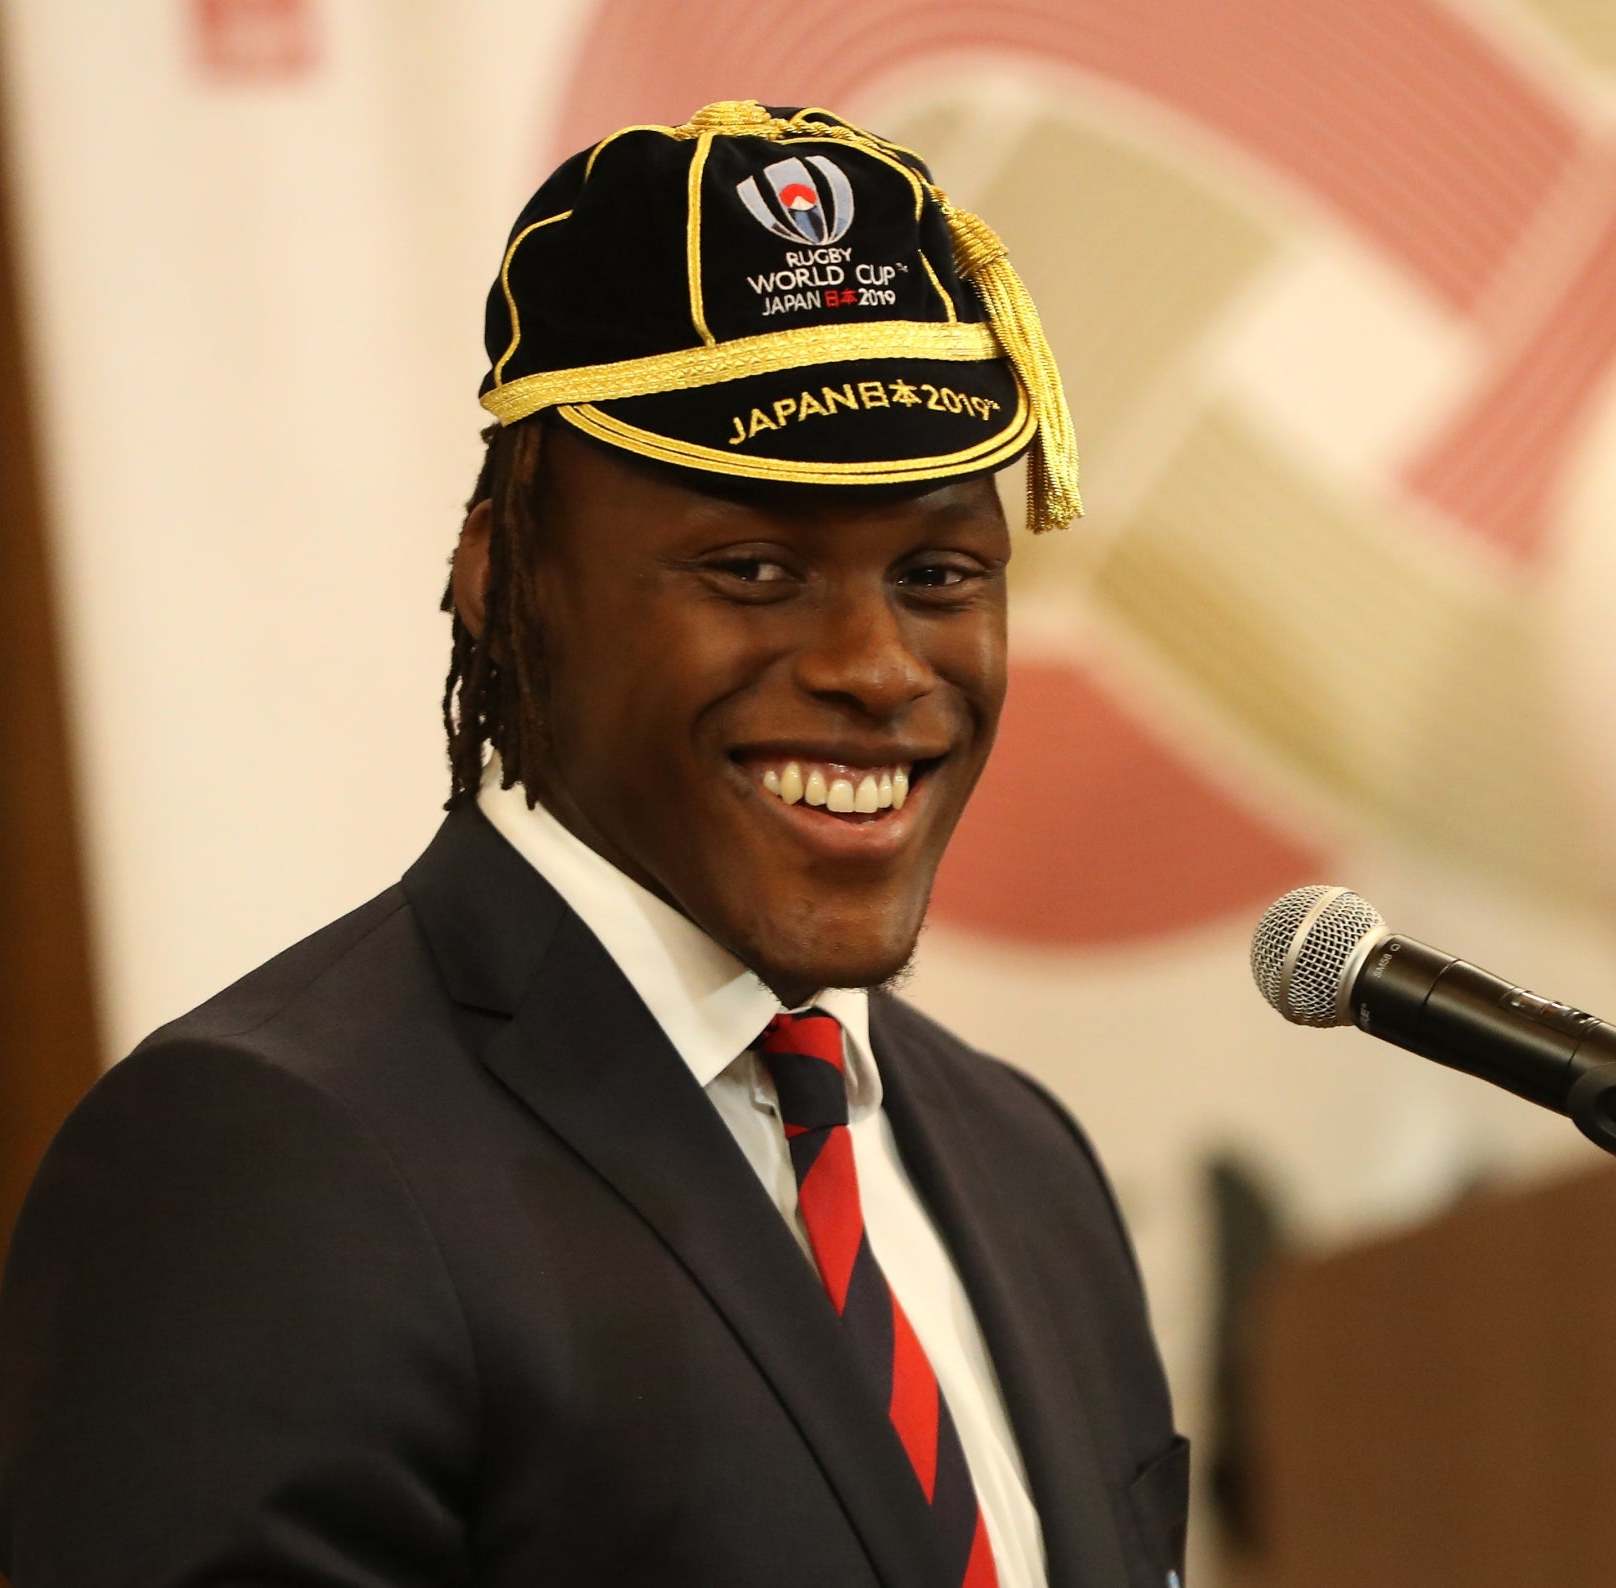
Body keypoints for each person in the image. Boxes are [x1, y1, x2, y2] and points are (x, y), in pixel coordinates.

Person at [0, 100, 1187, 1588]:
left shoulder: (1025, 1162)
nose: (880, 667)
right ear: (504, 580)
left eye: (939, 572)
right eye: (753, 568)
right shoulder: (267, 1164)